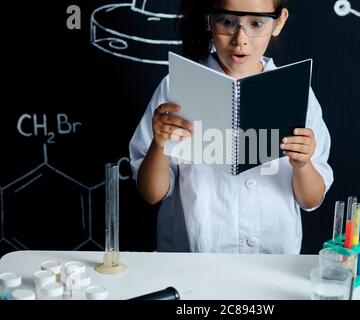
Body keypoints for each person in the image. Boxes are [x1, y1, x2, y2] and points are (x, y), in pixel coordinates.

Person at [129, 0, 333, 254]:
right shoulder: (176, 88)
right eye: (227, 22)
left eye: (256, 23)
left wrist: (303, 164)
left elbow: (311, 199)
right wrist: (159, 144)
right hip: (194, 258)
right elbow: (151, 193)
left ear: (278, 22)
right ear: (209, 20)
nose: (240, 39)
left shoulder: (297, 94)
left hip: (274, 260)